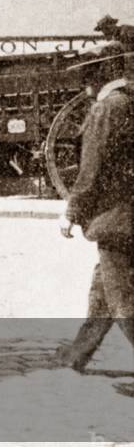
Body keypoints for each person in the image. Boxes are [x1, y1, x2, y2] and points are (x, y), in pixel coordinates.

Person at [56, 65, 134, 377]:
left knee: (123, 302)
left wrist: (71, 212)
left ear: (93, 82)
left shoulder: (107, 108)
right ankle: (76, 354)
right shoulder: (129, 100)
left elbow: (91, 169)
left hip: (118, 218)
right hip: (126, 216)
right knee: (104, 292)